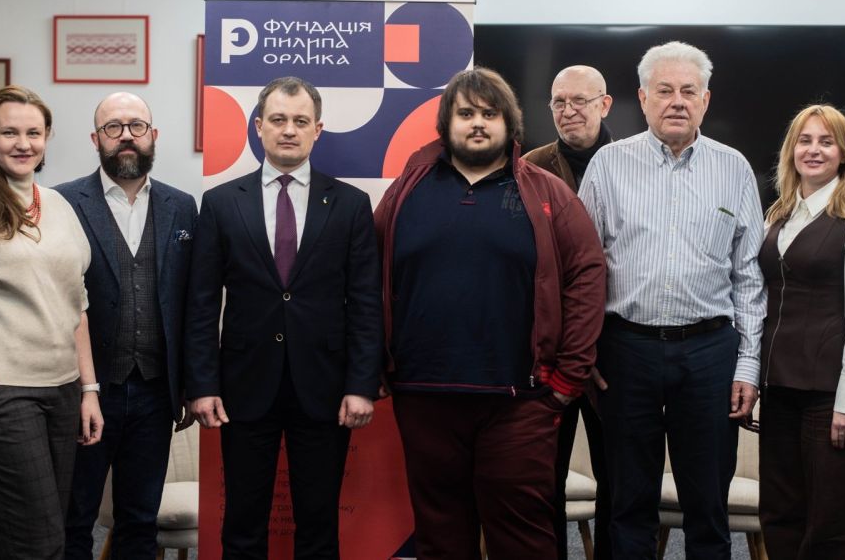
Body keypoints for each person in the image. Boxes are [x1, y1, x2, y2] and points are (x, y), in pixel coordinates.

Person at [375, 67, 607, 559]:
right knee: (440, 538)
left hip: (520, 402)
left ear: (510, 124)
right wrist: (374, 365)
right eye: (465, 114)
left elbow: (587, 277)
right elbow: (367, 275)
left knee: (522, 537)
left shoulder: (546, 193)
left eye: (489, 113)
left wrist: (568, 379)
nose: (477, 124)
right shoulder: (405, 192)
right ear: (446, 123)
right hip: (424, 397)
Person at [578, 42, 766, 559]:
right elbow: (583, 270)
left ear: (706, 100)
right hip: (625, 351)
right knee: (627, 502)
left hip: (709, 354)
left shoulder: (734, 169)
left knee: (708, 505)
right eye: (665, 90)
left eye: (689, 91)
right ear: (642, 98)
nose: (677, 101)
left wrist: (747, 366)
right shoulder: (608, 166)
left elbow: (748, 277)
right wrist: (585, 350)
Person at [185, 76, 383, 559]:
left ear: (318, 130)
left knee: (318, 525)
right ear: (258, 128)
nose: (288, 130)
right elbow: (202, 303)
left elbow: (364, 303)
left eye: (300, 121)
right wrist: (203, 384)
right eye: (278, 120)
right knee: (243, 524)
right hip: (243, 387)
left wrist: (361, 383)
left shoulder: (352, 205)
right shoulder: (220, 202)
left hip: (325, 387)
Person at [0, 84, 103, 559]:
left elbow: (76, 303)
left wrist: (88, 388)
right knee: (33, 544)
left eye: (34, 132)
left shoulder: (58, 204)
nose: (23, 143)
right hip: (3, 391)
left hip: (62, 390)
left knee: (54, 535)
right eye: (9, 132)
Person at [56, 92, 199, 559]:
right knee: (73, 519)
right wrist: (84, 387)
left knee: (140, 521)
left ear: (153, 136)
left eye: (136, 126)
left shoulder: (183, 208)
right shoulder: (62, 203)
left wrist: (191, 384)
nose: (126, 137)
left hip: (156, 394)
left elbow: (191, 304)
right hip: (86, 392)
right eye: (113, 128)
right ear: (96, 139)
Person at [757, 105, 845, 559]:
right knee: (780, 517)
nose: (813, 150)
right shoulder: (779, 214)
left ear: (844, 154)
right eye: (805, 140)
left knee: (831, 527)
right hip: (780, 391)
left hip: (832, 398)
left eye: (826, 141)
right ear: (791, 150)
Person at [522, 64, 614, 560]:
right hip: (549, 356)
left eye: (579, 100)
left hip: (615, 355)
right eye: (559, 102)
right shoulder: (529, 168)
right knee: (542, 487)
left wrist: (598, 343)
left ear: (605, 104)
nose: (568, 111)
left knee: (619, 485)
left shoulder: (632, 162)